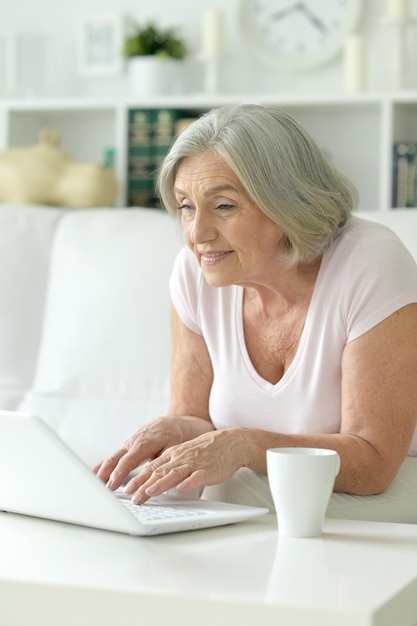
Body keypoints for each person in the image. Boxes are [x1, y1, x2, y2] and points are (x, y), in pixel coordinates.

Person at [94, 104, 417, 522]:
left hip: (380, 504)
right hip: (261, 506)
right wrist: (172, 430)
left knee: (234, 492)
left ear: (287, 202)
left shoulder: (371, 264)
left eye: (223, 206)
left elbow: (374, 461)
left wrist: (245, 445)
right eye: (186, 206)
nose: (196, 234)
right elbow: (196, 419)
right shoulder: (196, 273)